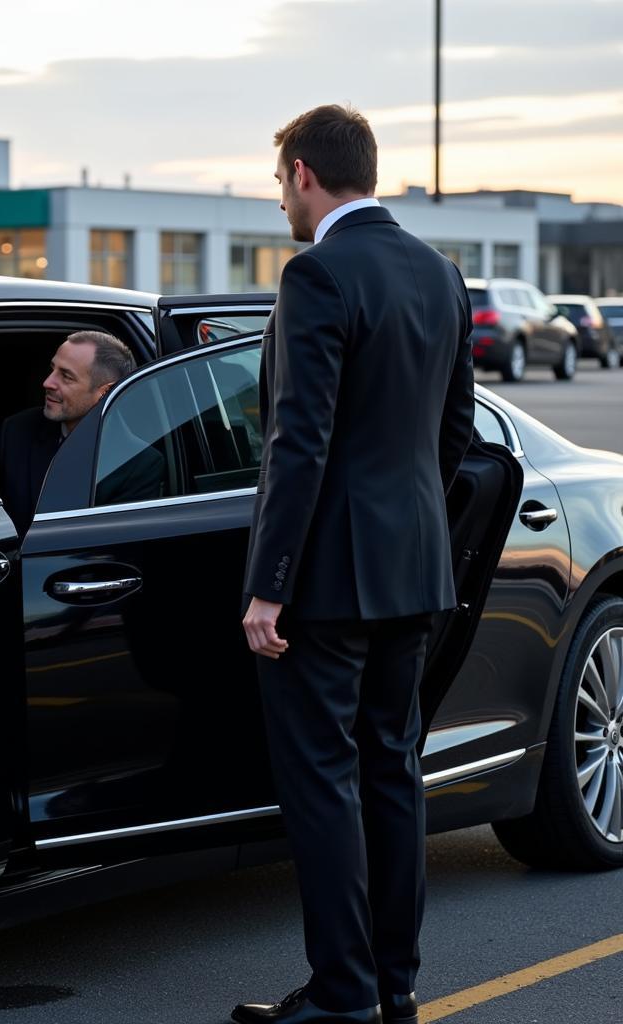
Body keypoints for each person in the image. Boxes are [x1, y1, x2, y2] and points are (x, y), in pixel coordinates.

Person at [234, 105, 474, 1024]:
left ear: (302, 173)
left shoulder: (318, 274)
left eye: (279, 184)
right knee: (391, 774)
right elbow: (452, 433)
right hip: (415, 571)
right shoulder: (437, 273)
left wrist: (269, 585)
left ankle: (342, 993)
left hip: (327, 583)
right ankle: (395, 987)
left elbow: (298, 441)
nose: (281, 202)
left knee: (325, 785)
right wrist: (405, 523)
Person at [0, 330, 162, 534]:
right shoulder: (17, 430)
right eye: (52, 369)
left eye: (66, 376)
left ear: (105, 393)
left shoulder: (137, 464)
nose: (47, 382)